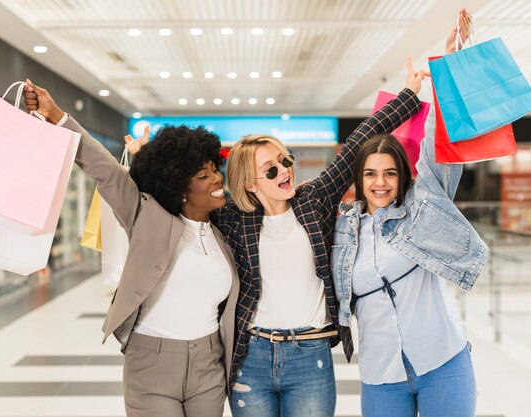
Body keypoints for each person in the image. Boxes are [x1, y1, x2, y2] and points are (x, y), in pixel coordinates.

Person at [210, 59, 427, 416]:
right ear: (249, 183)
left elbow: (359, 142)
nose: (285, 169)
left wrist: (409, 94)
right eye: (271, 169)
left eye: (285, 159)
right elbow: (183, 202)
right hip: (252, 357)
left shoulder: (313, 200)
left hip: (309, 358)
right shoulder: (233, 219)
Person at [22, 82, 240, 417]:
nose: (216, 180)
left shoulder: (224, 229)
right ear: (179, 187)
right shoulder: (147, 216)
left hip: (209, 366)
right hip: (151, 364)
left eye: (215, 170)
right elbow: (105, 171)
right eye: (203, 175)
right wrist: (58, 117)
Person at [331, 9, 482, 417]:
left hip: (443, 362)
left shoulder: (420, 208)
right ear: (358, 179)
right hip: (382, 374)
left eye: (390, 173)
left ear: (403, 176)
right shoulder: (342, 228)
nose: (380, 183)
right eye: (370, 174)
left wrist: (451, 67)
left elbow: (440, 148)